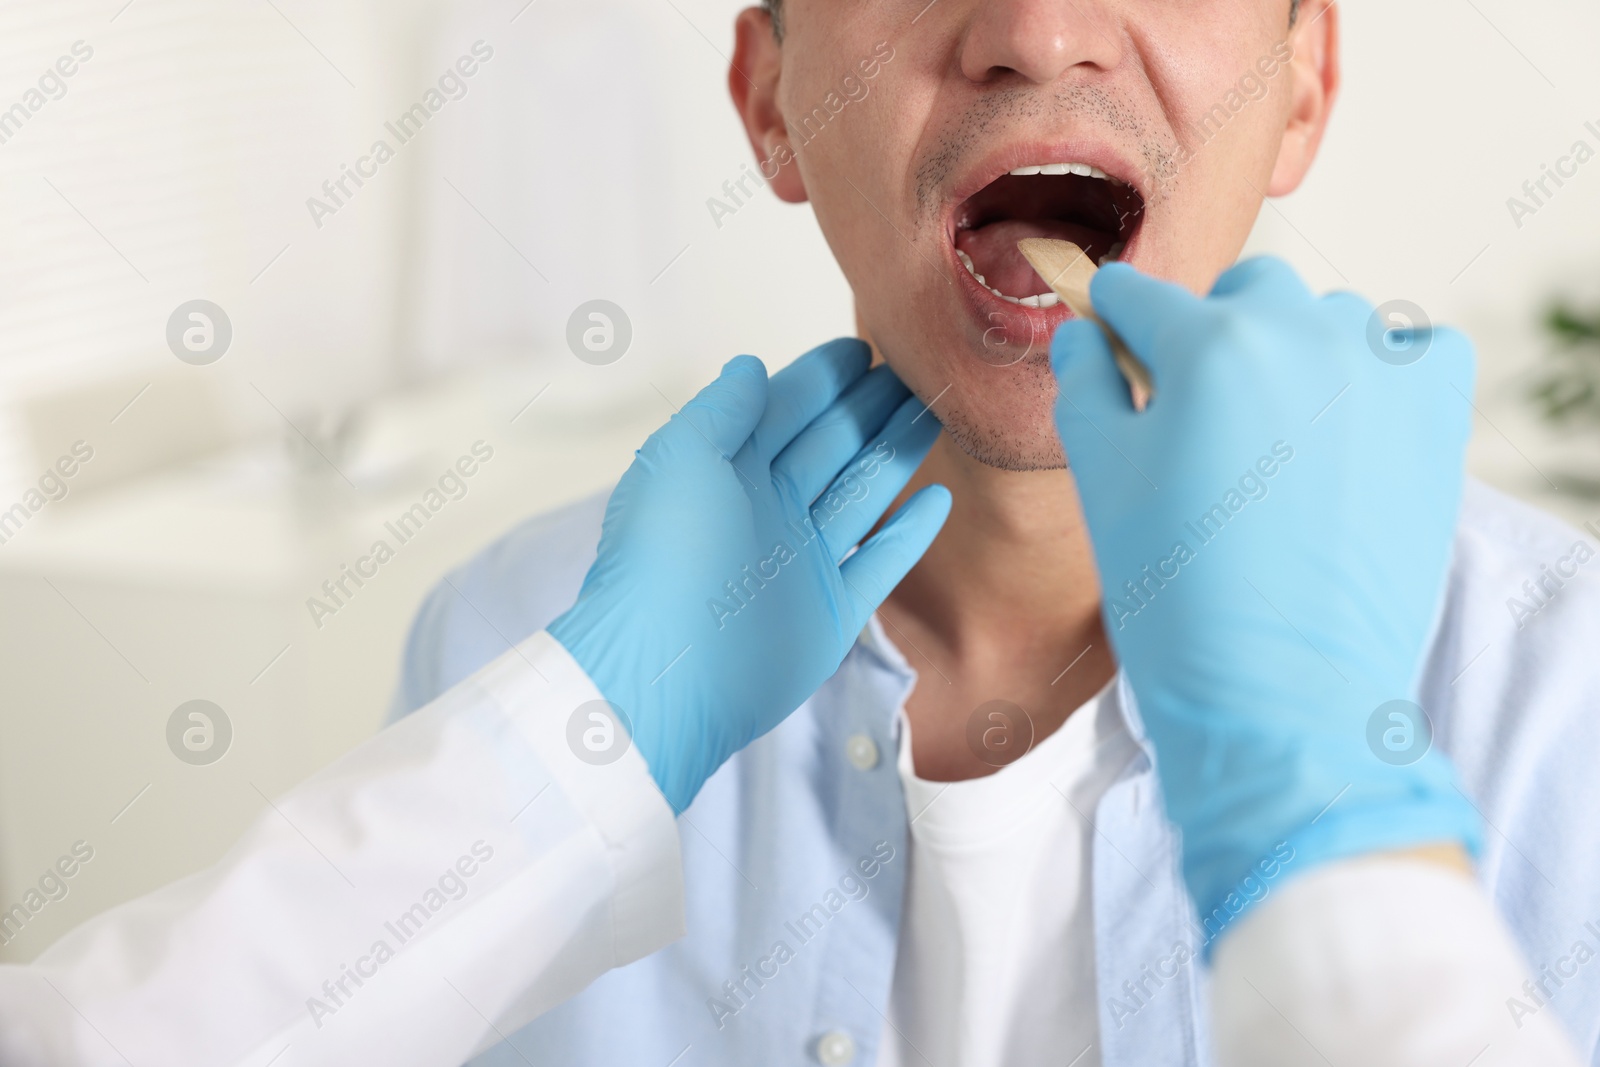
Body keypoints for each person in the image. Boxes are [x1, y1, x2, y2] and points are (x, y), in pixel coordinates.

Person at [391, 1, 1600, 1066]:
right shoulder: (521, 655)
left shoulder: (1560, 694)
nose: (1037, 30)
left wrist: (1320, 788)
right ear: (769, 101)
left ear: (1302, 86)